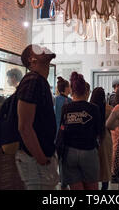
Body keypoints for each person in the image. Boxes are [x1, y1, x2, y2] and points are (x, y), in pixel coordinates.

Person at [15, 44, 59, 190]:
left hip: (41, 157)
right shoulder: (32, 81)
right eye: (39, 49)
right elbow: (24, 126)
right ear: (32, 60)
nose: (44, 48)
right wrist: (41, 158)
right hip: (36, 161)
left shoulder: (39, 81)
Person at [59, 72, 101, 190]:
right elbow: (99, 131)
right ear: (86, 91)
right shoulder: (94, 108)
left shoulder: (66, 108)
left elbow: (63, 129)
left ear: (72, 91)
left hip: (69, 152)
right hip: (88, 150)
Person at [90, 87, 113, 191]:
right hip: (105, 138)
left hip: (91, 138)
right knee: (105, 166)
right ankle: (104, 188)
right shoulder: (109, 109)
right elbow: (113, 125)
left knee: (91, 167)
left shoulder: (89, 108)